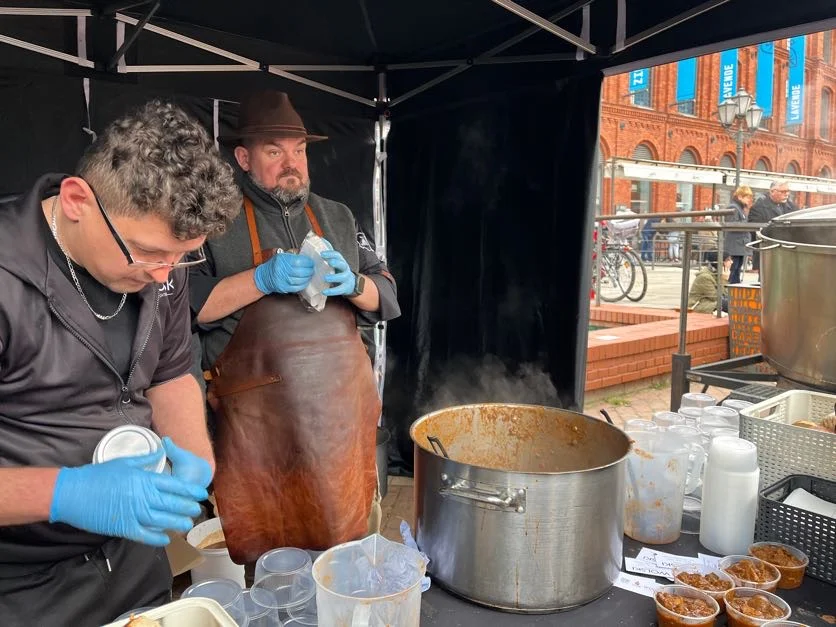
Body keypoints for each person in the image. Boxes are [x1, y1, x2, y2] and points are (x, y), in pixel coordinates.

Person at [0, 101, 242, 626]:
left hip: (133, 563)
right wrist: (64, 493)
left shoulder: (164, 267)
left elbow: (172, 369)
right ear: (76, 200)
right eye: (148, 253)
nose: (164, 276)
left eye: (182, 258)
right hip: (19, 586)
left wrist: (196, 457)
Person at [189, 91, 401, 562]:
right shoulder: (212, 223)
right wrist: (261, 279)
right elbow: (187, 306)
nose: (292, 164)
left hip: (341, 425)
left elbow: (386, 296)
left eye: (299, 150)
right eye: (274, 151)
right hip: (257, 438)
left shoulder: (338, 217)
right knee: (266, 561)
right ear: (244, 158)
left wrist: (354, 283)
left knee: (349, 555)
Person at [748, 180, 794, 272]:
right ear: (772, 191)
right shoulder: (759, 207)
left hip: (787, 252)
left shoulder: (790, 206)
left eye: (788, 191)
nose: (787, 194)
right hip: (768, 252)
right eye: (783, 191)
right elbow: (756, 230)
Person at [723, 186, 754, 284]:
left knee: (736, 270)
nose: (749, 200)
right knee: (733, 271)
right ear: (740, 196)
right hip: (734, 246)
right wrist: (747, 226)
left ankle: (733, 292)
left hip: (739, 246)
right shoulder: (733, 207)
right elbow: (733, 225)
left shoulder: (740, 208)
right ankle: (729, 295)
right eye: (747, 197)